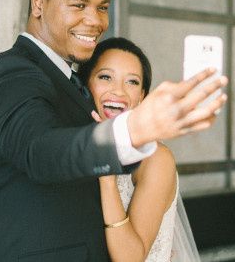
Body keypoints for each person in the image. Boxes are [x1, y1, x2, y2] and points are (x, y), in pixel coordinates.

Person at [0, 0, 227, 261]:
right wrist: (134, 129)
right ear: (39, 4)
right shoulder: (14, 74)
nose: (95, 21)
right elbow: (41, 151)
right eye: (79, 6)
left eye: (103, 8)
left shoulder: (68, 82)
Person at [79, 37, 200, 262]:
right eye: (106, 77)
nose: (119, 91)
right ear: (86, 85)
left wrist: (106, 177)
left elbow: (131, 259)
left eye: (132, 82)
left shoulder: (156, 159)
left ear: (142, 96)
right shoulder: (73, 149)